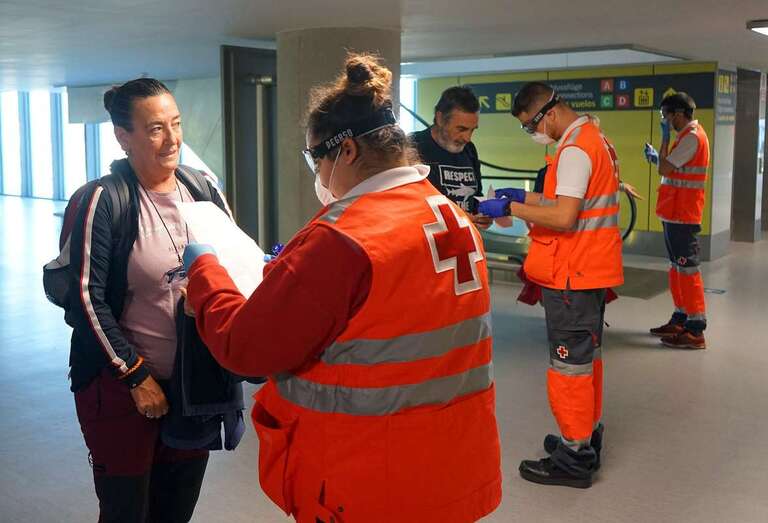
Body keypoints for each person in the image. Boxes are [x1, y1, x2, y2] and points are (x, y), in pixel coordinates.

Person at [182, 53, 502, 522]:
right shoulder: (448, 215)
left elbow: (244, 347)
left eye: (317, 157)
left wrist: (204, 268)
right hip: (452, 464)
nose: (316, 171)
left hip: (371, 477)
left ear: (346, 151)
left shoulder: (344, 237)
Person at [68, 78, 230, 522]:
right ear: (124, 136)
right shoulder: (102, 200)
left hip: (191, 385)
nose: (173, 139)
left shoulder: (204, 191)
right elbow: (85, 299)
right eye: (156, 128)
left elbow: (230, 270)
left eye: (176, 124)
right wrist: (135, 375)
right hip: (123, 391)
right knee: (125, 513)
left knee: (175, 512)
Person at [479, 82, 624, 488]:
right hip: (591, 269)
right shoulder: (595, 140)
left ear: (551, 112)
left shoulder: (575, 149)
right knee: (587, 357)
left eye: (531, 126)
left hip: (571, 275)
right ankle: (586, 434)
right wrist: (525, 195)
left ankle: (574, 456)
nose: (533, 134)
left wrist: (510, 207)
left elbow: (564, 218)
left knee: (568, 365)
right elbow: (568, 201)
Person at [643, 92, 709, 349]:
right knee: (677, 267)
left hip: (684, 214)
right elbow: (670, 167)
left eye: (666, 116)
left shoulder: (692, 137)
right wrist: (658, 157)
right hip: (674, 213)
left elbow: (665, 169)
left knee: (687, 268)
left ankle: (695, 329)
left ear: (678, 114)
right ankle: (681, 317)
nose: (665, 121)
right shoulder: (687, 137)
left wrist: (664, 138)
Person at [410, 86, 492, 229]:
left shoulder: (469, 150)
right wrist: (456, 217)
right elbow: (405, 205)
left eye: (472, 130)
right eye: (461, 129)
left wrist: (483, 214)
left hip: (463, 242)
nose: (467, 138)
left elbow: (476, 195)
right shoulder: (412, 146)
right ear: (440, 118)